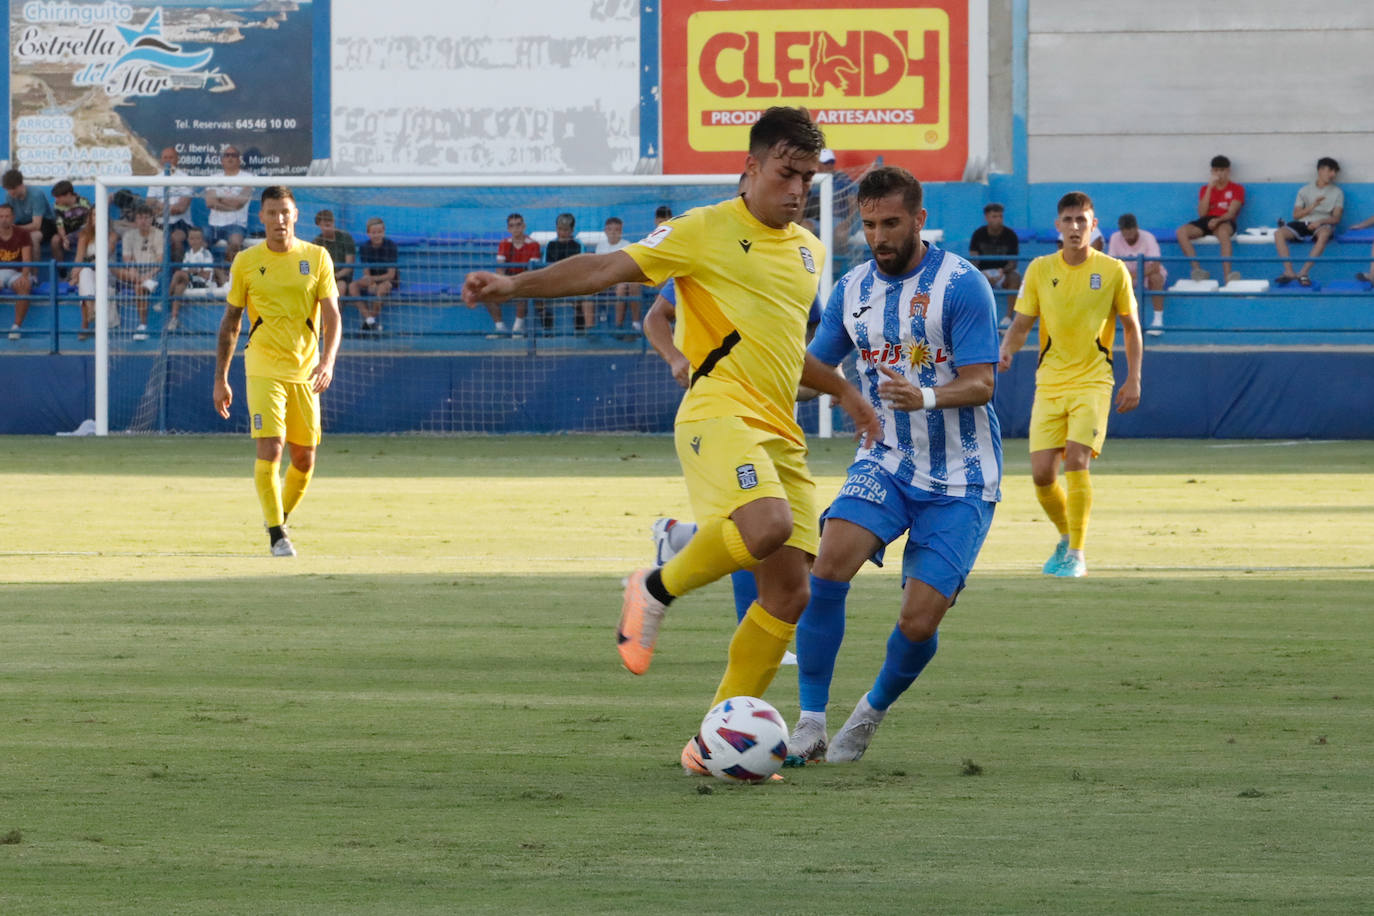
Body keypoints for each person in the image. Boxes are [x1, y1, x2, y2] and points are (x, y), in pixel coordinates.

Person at [462, 106, 881, 777]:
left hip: (781, 431)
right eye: (787, 173)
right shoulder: (703, 229)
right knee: (768, 526)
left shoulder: (809, 249)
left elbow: (782, 349)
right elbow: (605, 269)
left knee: (789, 595)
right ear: (750, 168)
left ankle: (710, 746)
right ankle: (655, 585)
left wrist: (844, 391)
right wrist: (516, 284)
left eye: (808, 177)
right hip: (717, 413)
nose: (799, 189)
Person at [785, 165, 1001, 764]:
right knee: (828, 565)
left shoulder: (962, 285)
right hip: (885, 458)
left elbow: (983, 382)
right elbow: (813, 372)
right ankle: (809, 722)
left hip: (962, 477)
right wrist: (756, 385)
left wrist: (924, 395)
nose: (878, 236)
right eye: (870, 224)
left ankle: (870, 711)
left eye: (891, 224)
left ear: (919, 219)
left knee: (918, 622)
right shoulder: (851, 290)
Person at [998, 191, 1142, 579]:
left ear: (1094, 225)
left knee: (1076, 460)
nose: (1075, 227)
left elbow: (1131, 327)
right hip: (1050, 382)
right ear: (1058, 226)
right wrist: (1006, 349)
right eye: (1068, 220)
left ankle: (1077, 554)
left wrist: (1134, 378)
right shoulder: (1040, 270)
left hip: (1094, 381)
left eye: (1082, 220)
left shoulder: (1113, 270)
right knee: (1042, 476)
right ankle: (1066, 536)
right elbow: (1022, 323)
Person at [212, 186, 341, 557]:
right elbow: (231, 322)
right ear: (262, 217)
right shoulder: (246, 261)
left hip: (305, 370)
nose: (279, 219)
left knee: (304, 459)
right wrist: (221, 378)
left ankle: (277, 518)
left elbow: (333, 316)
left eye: (285, 212)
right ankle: (277, 537)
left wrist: (327, 361)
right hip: (262, 365)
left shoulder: (317, 257)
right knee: (271, 446)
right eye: (272, 212)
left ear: (295, 215)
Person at [1273, 157, 1343, 288]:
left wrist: (1320, 221)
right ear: (1320, 170)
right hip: (1302, 223)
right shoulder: (1304, 190)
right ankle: (1289, 271)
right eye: (1330, 170)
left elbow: (1336, 218)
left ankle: (1303, 273)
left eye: (1335, 172)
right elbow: (1296, 215)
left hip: (1322, 224)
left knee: (1325, 234)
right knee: (1278, 233)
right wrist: (1312, 206)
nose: (1333, 174)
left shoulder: (1337, 192)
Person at [1176, 155, 1244, 282]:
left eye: (1222, 170)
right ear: (1212, 171)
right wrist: (1209, 188)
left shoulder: (1237, 189)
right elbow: (1202, 214)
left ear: (1228, 171)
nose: (1219, 174)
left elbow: (1232, 213)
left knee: (1223, 232)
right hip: (1207, 220)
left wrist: (1218, 220)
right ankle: (1197, 270)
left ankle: (1227, 276)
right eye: (1216, 170)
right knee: (1181, 232)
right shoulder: (1205, 189)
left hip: (1224, 220)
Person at [1107, 213, 1167, 336]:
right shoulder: (1115, 238)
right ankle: (1106, 323)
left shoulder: (1148, 237)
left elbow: (1155, 265)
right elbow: (1112, 264)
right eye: (1124, 230)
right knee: (1103, 280)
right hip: (1125, 276)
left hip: (1146, 275)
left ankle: (1158, 322)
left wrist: (1135, 276)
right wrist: (1127, 276)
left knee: (1156, 278)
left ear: (1136, 227)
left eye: (1130, 229)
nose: (1128, 233)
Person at [114, 204, 165, 341]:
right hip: (136, 273)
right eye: (140, 218)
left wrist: (147, 275)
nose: (143, 221)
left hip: (155, 272)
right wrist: (134, 271)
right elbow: (127, 259)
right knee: (114, 269)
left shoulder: (159, 234)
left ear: (152, 219)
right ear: (136, 220)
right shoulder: (129, 235)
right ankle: (143, 325)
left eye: (146, 218)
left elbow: (160, 262)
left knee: (139, 287)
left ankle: (143, 325)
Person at [968, 202, 1020, 326]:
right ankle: (978, 318)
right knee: (969, 279)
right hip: (983, 273)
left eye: (1000, 216)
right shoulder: (978, 234)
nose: (998, 220)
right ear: (987, 217)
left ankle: (1008, 318)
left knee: (1016, 277)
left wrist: (1003, 271)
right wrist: (982, 275)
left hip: (1003, 273)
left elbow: (1013, 262)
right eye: (994, 216)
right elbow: (973, 259)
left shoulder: (1010, 235)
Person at [489, 213, 540, 334]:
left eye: (518, 225)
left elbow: (531, 272)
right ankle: (500, 328)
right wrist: (504, 283)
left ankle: (517, 328)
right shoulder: (504, 243)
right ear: (508, 229)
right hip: (508, 280)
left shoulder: (533, 244)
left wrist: (516, 283)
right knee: (486, 294)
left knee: (523, 291)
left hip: (524, 282)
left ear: (524, 226)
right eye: (512, 226)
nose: (515, 228)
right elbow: (500, 269)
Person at [348, 216, 397, 332]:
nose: (376, 235)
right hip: (372, 279)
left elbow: (391, 275)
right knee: (352, 286)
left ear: (384, 232)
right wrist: (371, 283)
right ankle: (370, 320)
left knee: (381, 290)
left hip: (388, 281)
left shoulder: (391, 246)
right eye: (373, 232)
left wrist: (373, 280)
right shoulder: (365, 247)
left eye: (379, 232)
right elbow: (366, 272)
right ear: (368, 233)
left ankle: (369, 321)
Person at [204, 146, 252, 261]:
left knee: (235, 243)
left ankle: (228, 271)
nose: (230, 158)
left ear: (239, 160)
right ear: (222, 160)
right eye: (227, 155)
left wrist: (219, 198)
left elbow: (239, 203)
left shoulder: (248, 177)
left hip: (236, 225)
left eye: (233, 155)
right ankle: (205, 271)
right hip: (214, 225)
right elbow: (210, 202)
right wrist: (231, 205)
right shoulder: (214, 178)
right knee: (198, 241)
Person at [146, 146, 194, 261]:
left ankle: (177, 269)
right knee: (151, 239)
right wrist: (170, 208)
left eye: (171, 157)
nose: (168, 160)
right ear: (161, 160)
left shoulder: (185, 179)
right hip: (159, 222)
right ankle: (156, 270)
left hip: (180, 222)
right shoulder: (155, 179)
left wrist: (158, 205)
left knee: (176, 239)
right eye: (165, 157)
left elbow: (181, 208)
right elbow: (149, 205)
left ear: (177, 159)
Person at [167, 226, 219, 331]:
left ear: (202, 240)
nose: (194, 241)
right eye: (192, 238)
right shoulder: (188, 254)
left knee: (178, 274)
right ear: (188, 240)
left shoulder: (206, 254)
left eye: (197, 238)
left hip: (202, 283)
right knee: (179, 286)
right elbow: (186, 271)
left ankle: (166, 298)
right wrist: (193, 271)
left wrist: (195, 271)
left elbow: (207, 275)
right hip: (190, 281)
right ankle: (174, 318)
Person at [595, 216, 640, 333]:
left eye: (617, 230)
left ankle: (620, 326)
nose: (613, 232)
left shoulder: (627, 245)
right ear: (605, 231)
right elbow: (599, 268)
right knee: (588, 287)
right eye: (610, 229)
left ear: (621, 231)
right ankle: (591, 326)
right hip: (604, 281)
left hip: (620, 280)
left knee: (622, 288)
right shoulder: (600, 246)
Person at [542, 213, 585, 331]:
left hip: (573, 281)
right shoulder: (550, 245)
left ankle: (579, 320)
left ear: (572, 230)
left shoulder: (578, 245)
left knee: (582, 291)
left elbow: (581, 266)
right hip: (554, 280)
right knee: (535, 293)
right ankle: (546, 322)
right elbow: (545, 266)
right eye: (559, 229)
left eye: (565, 230)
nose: (562, 232)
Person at [2, 168, 57, 258]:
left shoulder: (36, 194)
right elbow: (9, 218)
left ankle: (33, 268)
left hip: (45, 223)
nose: (11, 192)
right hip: (23, 223)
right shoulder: (9, 196)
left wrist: (16, 228)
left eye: (13, 188)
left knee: (32, 238)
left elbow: (36, 225)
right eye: (8, 189)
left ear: (21, 185)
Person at [0, 203, 34, 341]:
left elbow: (27, 260)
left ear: (13, 217)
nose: (4, 219)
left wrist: (25, 277)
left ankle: (16, 327)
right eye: (1, 216)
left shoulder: (22, 234)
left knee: (24, 286)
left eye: (7, 216)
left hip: (18, 272)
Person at [51, 180, 93, 261]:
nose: (56, 200)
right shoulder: (57, 206)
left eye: (58, 197)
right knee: (55, 240)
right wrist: (64, 238)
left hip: (83, 230)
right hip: (67, 232)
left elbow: (90, 221)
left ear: (68, 194)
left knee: (83, 235)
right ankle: (60, 267)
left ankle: (84, 263)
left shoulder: (83, 202)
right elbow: (60, 225)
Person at [310, 210, 356, 285]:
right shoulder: (316, 242)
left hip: (342, 278)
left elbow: (349, 266)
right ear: (319, 226)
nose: (326, 229)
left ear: (333, 222)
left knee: (341, 286)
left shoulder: (346, 238)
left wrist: (335, 276)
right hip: (323, 278)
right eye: (323, 226)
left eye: (328, 225)